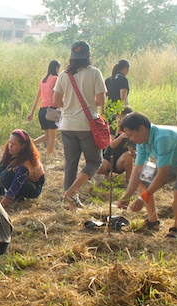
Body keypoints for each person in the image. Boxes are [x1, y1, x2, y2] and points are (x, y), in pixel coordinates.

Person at [116, 112, 177, 239]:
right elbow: (138, 169)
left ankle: (176, 229)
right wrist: (127, 196)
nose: (130, 139)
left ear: (142, 129)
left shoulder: (163, 137)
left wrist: (142, 199)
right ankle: (153, 222)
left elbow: (162, 174)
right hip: (172, 162)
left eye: (131, 135)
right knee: (144, 179)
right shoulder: (141, 141)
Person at [52, 40, 106, 209]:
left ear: (72, 57)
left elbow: (55, 101)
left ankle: (70, 205)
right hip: (86, 125)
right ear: (88, 56)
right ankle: (72, 192)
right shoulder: (95, 73)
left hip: (67, 124)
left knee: (70, 164)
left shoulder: (64, 75)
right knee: (94, 161)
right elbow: (100, 100)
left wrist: (70, 105)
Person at [0, 129, 45, 208]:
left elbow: (15, 185)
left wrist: (0, 207)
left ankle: (17, 197)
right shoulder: (9, 152)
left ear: (23, 146)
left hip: (33, 187)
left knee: (6, 176)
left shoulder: (26, 163)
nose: (10, 146)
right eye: (10, 142)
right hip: (18, 179)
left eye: (14, 144)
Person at [27, 60, 61, 156]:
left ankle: (31, 143)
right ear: (56, 68)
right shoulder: (56, 79)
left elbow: (37, 97)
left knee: (47, 136)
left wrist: (32, 112)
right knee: (52, 137)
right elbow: (58, 95)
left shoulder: (43, 80)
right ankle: (49, 157)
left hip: (42, 110)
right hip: (52, 110)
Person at [97, 106, 134, 182]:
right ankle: (106, 175)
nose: (119, 119)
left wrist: (133, 152)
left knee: (128, 155)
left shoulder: (132, 132)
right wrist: (121, 137)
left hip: (120, 162)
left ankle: (128, 180)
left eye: (122, 117)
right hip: (107, 159)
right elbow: (112, 145)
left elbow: (135, 153)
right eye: (118, 117)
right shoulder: (113, 128)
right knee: (98, 167)